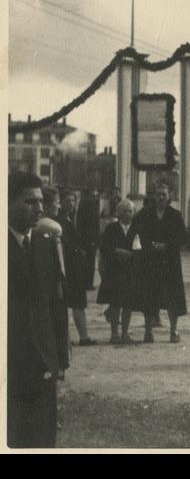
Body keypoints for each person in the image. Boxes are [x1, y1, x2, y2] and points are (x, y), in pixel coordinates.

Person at [7, 172, 62, 447]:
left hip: (43, 366)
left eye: (40, 201)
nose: (39, 208)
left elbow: (54, 306)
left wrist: (59, 360)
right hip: (11, 369)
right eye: (30, 202)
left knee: (42, 439)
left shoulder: (45, 244)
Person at [134, 183, 187, 343]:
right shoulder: (145, 214)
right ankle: (148, 331)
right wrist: (149, 245)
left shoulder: (175, 215)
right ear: (153, 196)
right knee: (150, 296)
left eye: (164, 194)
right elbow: (137, 233)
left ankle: (174, 330)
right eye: (158, 194)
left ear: (169, 196)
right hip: (150, 261)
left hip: (170, 261)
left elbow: (182, 237)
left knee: (172, 298)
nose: (161, 198)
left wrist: (167, 245)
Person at [33, 186, 70, 379]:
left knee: (58, 323)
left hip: (57, 282)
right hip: (51, 283)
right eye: (55, 202)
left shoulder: (54, 227)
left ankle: (60, 364)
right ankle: (56, 364)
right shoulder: (46, 228)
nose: (58, 206)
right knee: (54, 323)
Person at [56, 188, 96, 346]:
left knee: (77, 302)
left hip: (76, 268)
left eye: (73, 201)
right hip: (69, 267)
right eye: (68, 201)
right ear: (61, 203)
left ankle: (83, 336)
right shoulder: (61, 221)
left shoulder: (72, 218)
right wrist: (78, 251)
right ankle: (75, 337)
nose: (71, 204)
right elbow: (66, 243)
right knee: (70, 303)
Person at [97, 199, 138, 343]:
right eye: (124, 211)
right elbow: (103, 247)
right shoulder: (111, 228)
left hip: (130, 270)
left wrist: (132, 254)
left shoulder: (136, 228)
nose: (127, 214)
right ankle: (114, 333)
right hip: (114, 270)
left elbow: (142, 247)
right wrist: (116, 251)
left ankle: (125, 333)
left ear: (133, 213)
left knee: (128, 303)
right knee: (115, 303)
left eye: (130, 211)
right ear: (119, 213)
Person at [75, 188, 101, 290]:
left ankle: (87, 282)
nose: (95, 197)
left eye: (96, 195)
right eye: (93, 195)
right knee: (87, 262)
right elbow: (87, 226)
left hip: (90, 238)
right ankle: (87, 283)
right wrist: (93, 240)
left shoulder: (91, 206)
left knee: (89, 262)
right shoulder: (86, 207)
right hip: (87, 238)